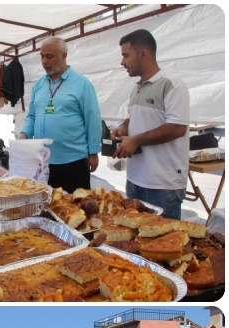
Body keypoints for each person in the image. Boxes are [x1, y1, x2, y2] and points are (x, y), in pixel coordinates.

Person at [111, 29, 190, 219]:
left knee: (164, 244)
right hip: (135, 179)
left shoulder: (172, 85)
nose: (122, 62)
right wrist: (124, 127)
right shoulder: (137, 87)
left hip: (162, 185)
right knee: (136, 240)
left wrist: (136, 140)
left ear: (143, 54)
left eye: (126, 55)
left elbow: (178, 128)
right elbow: (137, 117)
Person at [19, 38, 102, 192]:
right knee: (47, 204)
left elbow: (93, 119)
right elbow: (31, 116)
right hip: (44, 160)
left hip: (73, 161)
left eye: (49, 56)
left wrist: (93, 152)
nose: (44, 61)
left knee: (74, 209)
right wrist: (24, 135)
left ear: (64, 56)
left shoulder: (82, 84)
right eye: (42, 56)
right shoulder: (39, 85)